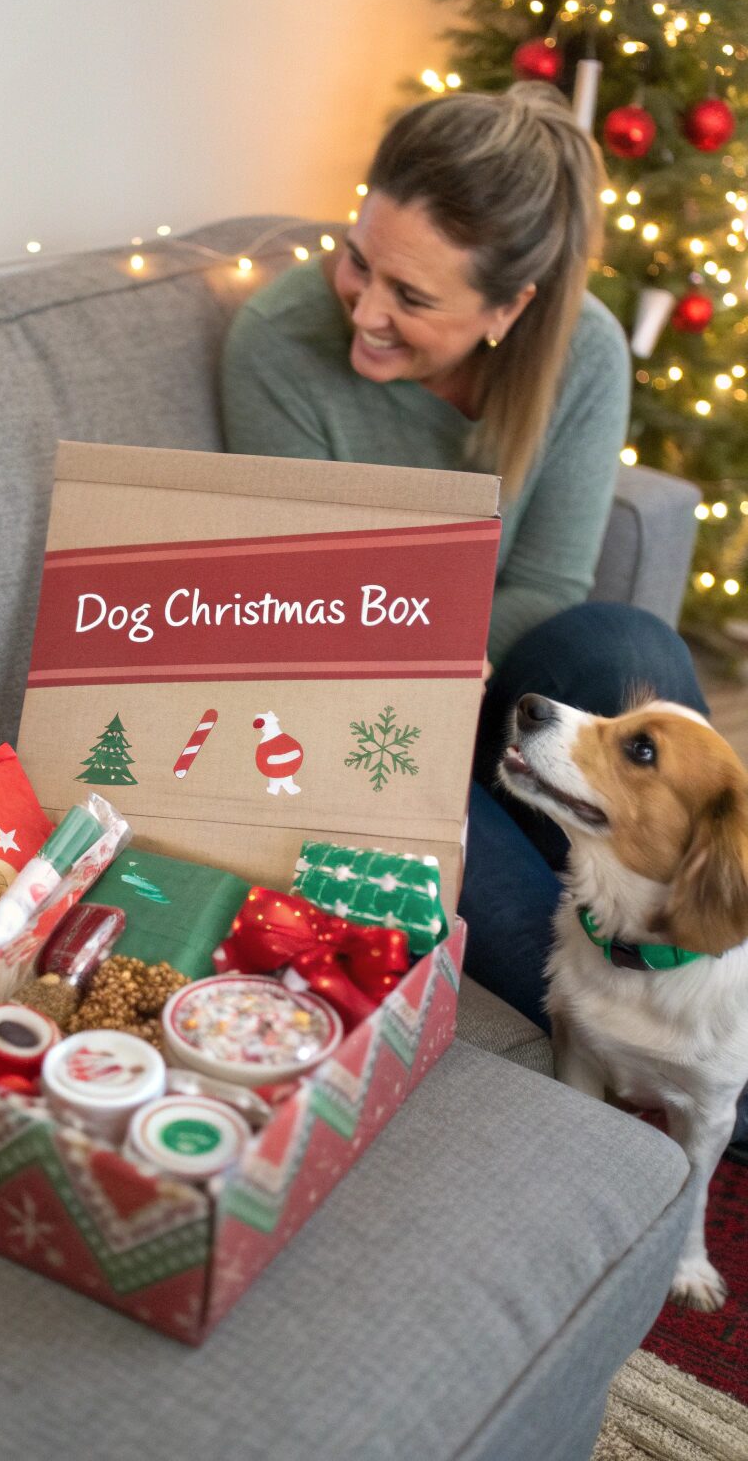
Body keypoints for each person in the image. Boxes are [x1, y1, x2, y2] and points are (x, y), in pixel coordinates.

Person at [219, 84, 743, 1139]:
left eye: (410, 297)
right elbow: (307, 620)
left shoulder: (582, 351)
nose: (362, 308)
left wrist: (483, 697)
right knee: (612, 1009)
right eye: (357, 257)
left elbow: (547, 587)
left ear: (509, 308)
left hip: (497, 675)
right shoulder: (280, 347)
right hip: (360, 718)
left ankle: (718, 935)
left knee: (616, 641)